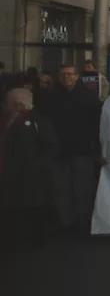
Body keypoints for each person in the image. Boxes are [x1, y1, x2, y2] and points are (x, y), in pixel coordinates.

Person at [0, 88, 58, 249]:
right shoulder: (6, 120)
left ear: (18, 104)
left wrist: (38, 165)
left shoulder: (38, 121)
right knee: (13, 206)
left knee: (33, 207)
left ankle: (35, 239)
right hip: (10, 172)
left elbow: (51, 146)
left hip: (31, 172)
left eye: (9, 102)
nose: (6, 105)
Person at [47, 64, 101, 233]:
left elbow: (96, 125)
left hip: (82, 150)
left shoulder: (89, 97)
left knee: (82, 189)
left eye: (70, 74)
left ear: (77, 76)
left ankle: (82, 222)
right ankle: (66, 223)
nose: (66, 77)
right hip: (59, 150)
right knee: (61, 189)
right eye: (63, 74)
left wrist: (96, 149)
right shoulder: (51, 97)